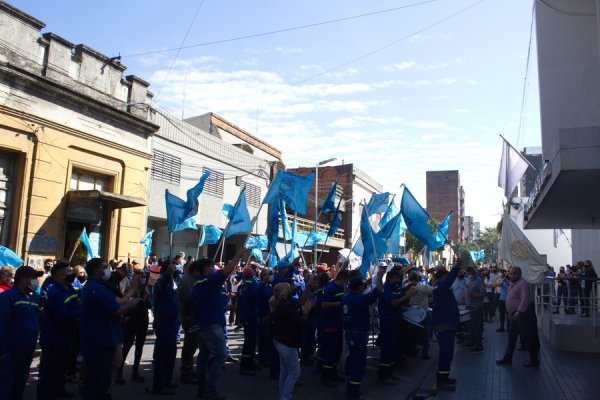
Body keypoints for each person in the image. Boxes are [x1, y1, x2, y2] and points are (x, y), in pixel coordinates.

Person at [79, 258, 141, 400]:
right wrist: (130, 306)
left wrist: (132, 290)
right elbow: (116, 309)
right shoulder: (95, 288)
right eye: (105, 267)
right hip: (100, 338)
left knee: (104, 373)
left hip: (107, 336)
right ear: (96, 270)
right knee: (97, 376)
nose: (108, 270)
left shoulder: (101, 286)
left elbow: (117, 300)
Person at [193, 249, 244, 400]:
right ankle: (209, 390)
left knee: (203, 355)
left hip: (204, 322)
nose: (215, 270)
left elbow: (206, 302)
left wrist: (223, 307)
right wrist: (236, 256)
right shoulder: (208, 281)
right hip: (211, 324)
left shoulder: (199, 283)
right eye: (212, 268)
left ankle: (201, 389)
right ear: (207, 268)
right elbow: (225, 273)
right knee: (221, 355)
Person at [38, 261, 80, 399]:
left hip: (67, 335)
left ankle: (59, 390)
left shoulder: (69, 289)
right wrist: (79, 315)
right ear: (61, 275)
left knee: (61, 367)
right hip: (54, 336)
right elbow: (61, 314)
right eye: (69, 272)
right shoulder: (55, 292)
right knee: (50, 370)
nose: (71, 274)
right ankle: (45, 395)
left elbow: (77, 305)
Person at [0, 265, 43, 400]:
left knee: (19, 388)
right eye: (34, 278)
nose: (36, 281)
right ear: (23, 280)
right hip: (10, 352)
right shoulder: (8, 297)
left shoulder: (32, 299)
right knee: (5, 388)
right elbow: (1, 323)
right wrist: (2, 351)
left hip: (27, 351)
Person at [341, 271, 384, 399]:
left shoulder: (345, 297)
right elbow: (378, 291)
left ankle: (352, 388)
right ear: (359, 288)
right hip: (358, 334)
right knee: (358, 364)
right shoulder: (361, 299)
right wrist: (380, 277)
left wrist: (366, 282)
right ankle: (353, 391)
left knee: (353, 361)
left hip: (349, 333)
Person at [270, 282, 313, 400]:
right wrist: (305, 313)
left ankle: (282, 396)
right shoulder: (286, 307)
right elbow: (300, 322)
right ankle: (285, 397)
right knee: (294, 371)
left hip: (280, 341)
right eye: (290, 290)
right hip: (287, 343)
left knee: (284, 370)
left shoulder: (278, 305)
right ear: (285, 293)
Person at [496, 266, 540, 368]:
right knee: (511, 337)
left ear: (519, 274)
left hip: (520, 315)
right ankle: (508, 357)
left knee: (527, 337)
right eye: (511, 273)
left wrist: (518, 312)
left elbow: (525, 299)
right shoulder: (513, 284)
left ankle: (534, 360)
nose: (512, 275)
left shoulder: (522, 284)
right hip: (513, 316)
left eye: (514, 273)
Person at [377, 268, 414, 383]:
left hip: (396, 321)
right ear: (389, 278)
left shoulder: (395, 288)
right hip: (388, 322)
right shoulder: (386, 289)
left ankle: (389, 372)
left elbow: (400, 296)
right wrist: (407, 296)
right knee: (387, 349)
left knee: (393, 348)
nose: (398, 280)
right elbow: (393, 303)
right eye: (396, 278)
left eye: (399, 278)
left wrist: (407, 290)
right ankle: (383, 376)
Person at [431, 259, 461, 391]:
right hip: (444, 325)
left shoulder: (442, 288)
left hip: (448, 325)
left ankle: (445, 376)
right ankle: (441, 381)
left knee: (448, 353)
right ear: (442, 277)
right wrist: (457, 267)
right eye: (446, 276)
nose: (448, 279)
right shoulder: (441, 287)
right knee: (445, 353)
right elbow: (449, 279)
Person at [116, 268, 150, 384]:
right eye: (141, 276)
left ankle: (135, 371)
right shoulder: (131, 289)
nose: (143, 278)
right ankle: (119, 373)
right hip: (131, 321)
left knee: (139, 347)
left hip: (142, 320)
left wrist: (146, 298)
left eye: (144, 276)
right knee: (126, 346)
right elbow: (125, 302)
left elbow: (150, 305)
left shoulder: (146, 290)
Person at [150, 260, 180, 395]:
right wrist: (168, 275)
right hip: (164, 322)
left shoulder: (172, 281)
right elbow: (161, 287)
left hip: (172, 322)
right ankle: (159, 385)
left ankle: (167, 380)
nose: (176, 268)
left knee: (170, 355)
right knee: (162, 355)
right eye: (173, 266)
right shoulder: (161, 282)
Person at [319, 269, 349, 387]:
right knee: (329, 353)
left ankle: (333, 374)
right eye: (346, 280)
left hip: (338, 324)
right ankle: (326, 378)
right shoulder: (330, 289)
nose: (347, 283)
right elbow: (323, 304)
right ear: (341, 278)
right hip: (329, 324)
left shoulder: (341, 288)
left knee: (337, 351)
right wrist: (338, 304)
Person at [177, 260, 200, 384]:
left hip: (192, 316)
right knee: (190, 345)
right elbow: (188, 300)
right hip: (189, 317)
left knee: (192, 345)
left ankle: (189, 369)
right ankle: (186, 372)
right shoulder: (187, 281)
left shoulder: (192, 279)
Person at [237, 266, 261, 375]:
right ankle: (244, 366)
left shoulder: (241, 286)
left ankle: (251, 362)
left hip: (246, 316)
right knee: (249, 342)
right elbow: (256, 296)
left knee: (251, 341)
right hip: (252, 316)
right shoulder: (253, 285)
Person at [408, 270, 433, 360]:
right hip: (422, 313)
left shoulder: (407, 287)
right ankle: (424, 353)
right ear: (418, 278)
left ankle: (412, 351)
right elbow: (433, 290)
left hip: (410, 313)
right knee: (425, 333)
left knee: (412, 333)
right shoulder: (423, 287)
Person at [464, 266, 486, 353]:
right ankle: (472, 342)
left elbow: (484, 293)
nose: (470, 275)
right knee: (470, 326)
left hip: (476, 307)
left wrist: (475, 296)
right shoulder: (467, 279)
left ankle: (478, 345)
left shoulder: (479, 280)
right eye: (468, 273)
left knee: (476, 326)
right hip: (468, 306)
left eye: (471, 273)